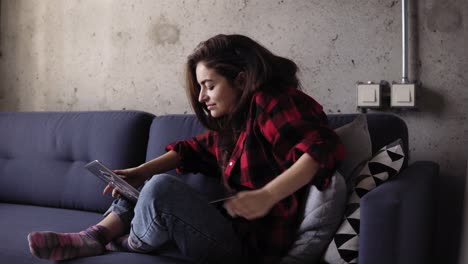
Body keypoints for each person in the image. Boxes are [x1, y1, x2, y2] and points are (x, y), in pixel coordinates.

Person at [27, 34, 346, 263]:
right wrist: (138, 172)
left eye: (209, 85)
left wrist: (267, 195)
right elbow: (192, 149)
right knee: (146, 184)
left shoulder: (274, 102)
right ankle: (94, 237)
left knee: (161, 189)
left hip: (247, 248)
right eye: (200, 88)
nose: (202, 97)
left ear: (241, 79)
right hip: (224, 227)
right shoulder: (236, 125)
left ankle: (128, 242)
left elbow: (322, 147)